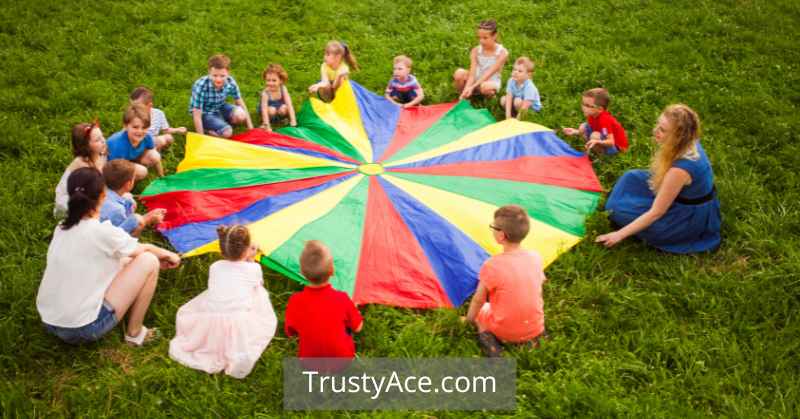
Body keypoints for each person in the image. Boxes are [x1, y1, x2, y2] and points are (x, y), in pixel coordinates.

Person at [37, 167, 181, 346]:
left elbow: (117, 255)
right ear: (103, 197)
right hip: (82, 328)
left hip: (49, 319)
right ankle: (135, 334)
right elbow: (142, 249)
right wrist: (170, 255)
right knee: (149, 260)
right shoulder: (102, 232)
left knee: (126, 260)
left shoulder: (61, 227)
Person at [597, 104, 721, 253]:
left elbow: (657, 212)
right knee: (631, 177)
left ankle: (636, 222)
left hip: (685, 219)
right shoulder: (689, 140)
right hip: (682, 195)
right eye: (658, 124)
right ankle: (623, 204)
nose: (655, 131)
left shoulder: (680, 170)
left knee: (617, 209)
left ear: (678, 136)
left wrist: (618, 235)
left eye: (662, 130)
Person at [169, 225, 277, 379]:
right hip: (238, 323)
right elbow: (256, 285)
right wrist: (251, 260)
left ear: (221, 251)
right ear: (247, 249)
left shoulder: (215, 267)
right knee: (259, 292)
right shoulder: (253, 269)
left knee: (215, 293)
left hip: (210, 319)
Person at [465, 205, 547, 357]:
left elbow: (478, 300)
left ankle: (490, 342)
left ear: (501, 236)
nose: (492, 230)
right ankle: (533, 339)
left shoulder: (492, 265)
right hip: (536, 326)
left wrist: (469, 320)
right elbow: (539, 282)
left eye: (493, 227)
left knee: (482, 313)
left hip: (505, 330)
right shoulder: (536, 257)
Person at [284, 241, 363, 358]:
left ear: (301, 272)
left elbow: (290, 331)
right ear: (332, 271)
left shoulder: (295, 301)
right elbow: (358, 327)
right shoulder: (342, 299)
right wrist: (354, 310)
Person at [189, 54, 254, 138]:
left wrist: (250, 126)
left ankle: (220, 123)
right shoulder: (201, 85)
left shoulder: (230, 82)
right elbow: (196, 114)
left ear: (228, 73)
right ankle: (208, 129)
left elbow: (240, 101)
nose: (218, 79)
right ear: (209, 72)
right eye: (215, 75)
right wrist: (201, 137)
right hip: (205, 112)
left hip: (220, 106)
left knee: (241, 115)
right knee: (227, 133)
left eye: (222, 76)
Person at [54, 122, 107, 218]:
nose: (103, 141)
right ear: (86, 146)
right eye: (97, 140)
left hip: (88, 191)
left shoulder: (99, 154)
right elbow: (85, 190)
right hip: (70, 197)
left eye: (102, 136)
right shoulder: (82, 165)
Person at [100, 159, 165, 237]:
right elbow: (119, 235)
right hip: (107, 238)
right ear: (128, 184)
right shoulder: (118, 210)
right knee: (138, 222)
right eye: (134, 178)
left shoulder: (100, 191)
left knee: (130, 200)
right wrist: (146, 219)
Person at [562, 88, 628, 155]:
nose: (583, 107)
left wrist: (597, 141)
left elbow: (611, 142)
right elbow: (590, 127)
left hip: (616, 147)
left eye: (588, 105)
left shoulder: (604, 120)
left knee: (595, 135)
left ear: (599, 109)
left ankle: (601, 156)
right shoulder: (592, 114)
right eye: (583, 103)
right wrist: (575, 132)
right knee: (583, 126)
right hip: (602, 135)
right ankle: (592, 144)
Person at [454, 19, 509, 99]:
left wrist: (472, 87)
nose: (481, 41)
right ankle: (465, 95)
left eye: (485, 38)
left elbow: (489, 73)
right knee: (459, 73)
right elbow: (472, 75)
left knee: (485, 87)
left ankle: (485, 96)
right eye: (479, 38)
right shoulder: (475, 50)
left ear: (495, 36)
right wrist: (466, 89)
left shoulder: (502, 53)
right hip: (476, 78)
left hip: (490, 81)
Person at [106, 103, 163, 179]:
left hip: (129, 159)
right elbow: (113, 169)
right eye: (135, 127)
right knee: (142, 171)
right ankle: (126, 187)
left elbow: (156, 158)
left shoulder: (146, 137)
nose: (140, 131)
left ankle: (133, 167)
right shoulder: (117, 144)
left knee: (155, 156)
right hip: (113, 165)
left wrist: (161, 175)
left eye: (144, 127)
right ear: (125, 126)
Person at [129, 86, 187, 150]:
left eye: (138, 107)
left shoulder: (159, 113)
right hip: (138, 140)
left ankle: (151, 150)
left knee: (169, 138)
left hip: (154, 140)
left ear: (150, 105)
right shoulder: (132, 115)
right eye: (132, 106)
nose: (134, 109)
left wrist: (177, 130)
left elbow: (166, 130)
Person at [258, 63, 297, 131]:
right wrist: (267, 126)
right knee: (272, 110)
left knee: (284, 108)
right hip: (269, 110)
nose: (271, 83)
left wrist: (293, 121)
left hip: (279, 108)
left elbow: (289, 104)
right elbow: (264, 110)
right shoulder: (265, 93)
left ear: (280, 81)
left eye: (274, 80)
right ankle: (266, 123)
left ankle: (281, 119)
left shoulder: (283, 89)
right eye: (268, 80)